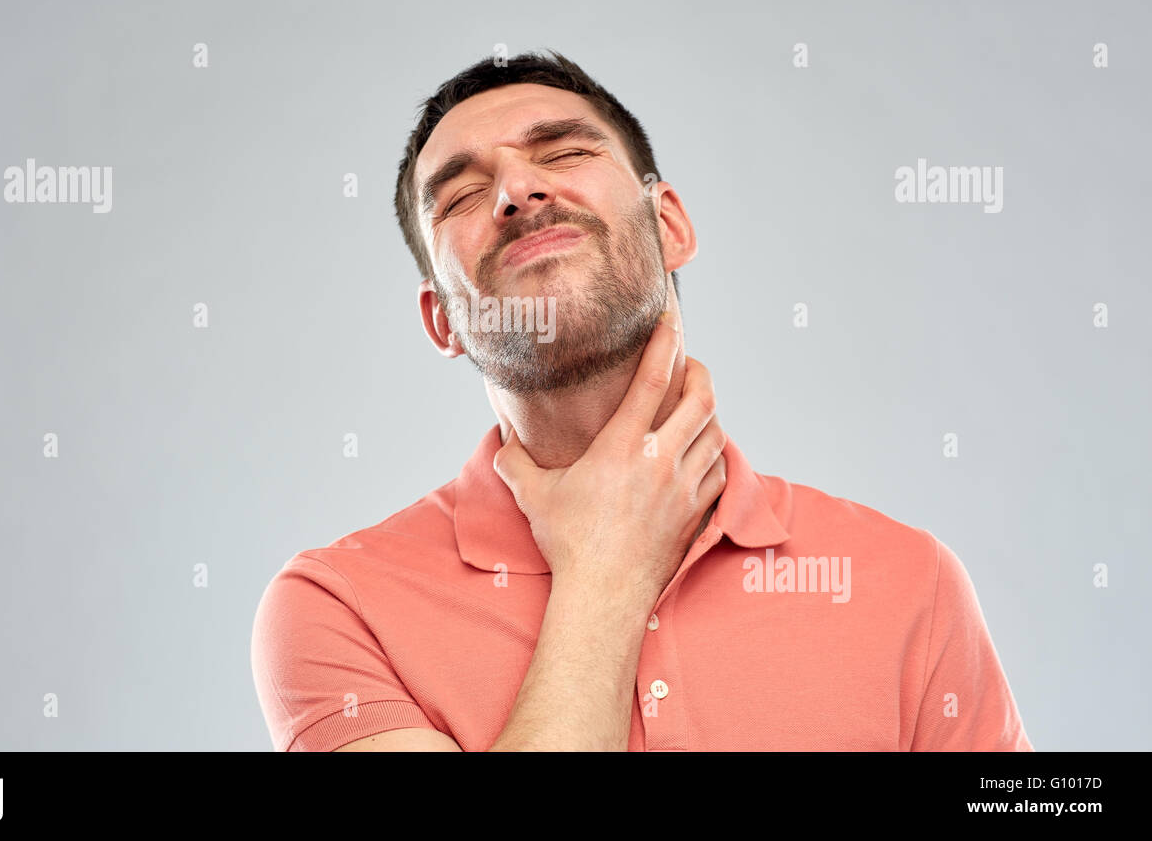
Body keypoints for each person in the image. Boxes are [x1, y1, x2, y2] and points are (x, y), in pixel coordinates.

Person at [251, 49, 1033, 751]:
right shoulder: (334, 608)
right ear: (441, 321)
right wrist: (605, 570)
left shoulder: (908, 580)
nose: (517, 190)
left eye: (562, 151)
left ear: (670, 227)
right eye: (460, 195)